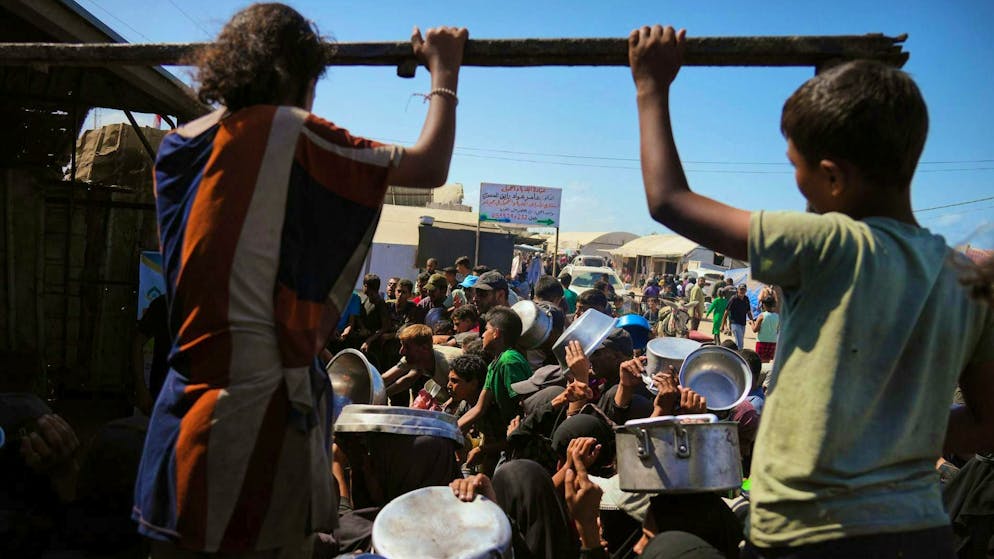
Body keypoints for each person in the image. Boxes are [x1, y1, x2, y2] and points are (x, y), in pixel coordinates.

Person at [629, 25, 994, 556]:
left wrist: (651, 86)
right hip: (921, 535)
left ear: (833, 177)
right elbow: (986, 424)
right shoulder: (965, 277)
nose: (798, 193)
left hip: (808, 538)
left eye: (798, 171)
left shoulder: (825, 245)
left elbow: (668, 199)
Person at [133, 5, 467, 554]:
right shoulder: (285, 132)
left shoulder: (178, 146)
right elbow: (430, 167)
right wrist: (445, 72)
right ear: (296, 75)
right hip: (255, 436)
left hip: (179, 425)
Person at [457, 306, 532, 433]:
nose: (482, 335)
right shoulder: (494, 364)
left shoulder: (509, 361)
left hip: (518, 431)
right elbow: (479, 408)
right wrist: (449, 431)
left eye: (486, 330)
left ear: (496, 333)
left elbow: (525, 405)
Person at [381, 324, 460, 406]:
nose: (401, 352)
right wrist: (381, 395)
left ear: (424, 348)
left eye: (407, 347)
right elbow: (389, 379)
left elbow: (464, 393)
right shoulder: (417, 357)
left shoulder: (448, 364)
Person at [721, 284, 752, 349]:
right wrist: (722, 325)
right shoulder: (734, 299)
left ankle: (734, 354)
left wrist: (752, 321)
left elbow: (748, 312)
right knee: (740, 343)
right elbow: (726, 312)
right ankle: (739, 356)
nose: (742, 291)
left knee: (739, 342)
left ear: (746, 290)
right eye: (741, 289)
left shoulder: (746, 299)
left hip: (743, 324)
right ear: (737, 290)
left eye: (743, 289)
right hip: (734, 323)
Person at [751, 296, 780, 363]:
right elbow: (777, 330)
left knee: (759, 361)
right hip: (773, 342)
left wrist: (752, 323)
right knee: (767, 361)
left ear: (764, 305)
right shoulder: (778, 316)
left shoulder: (762, 316)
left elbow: (755, 330)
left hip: (762, 341)